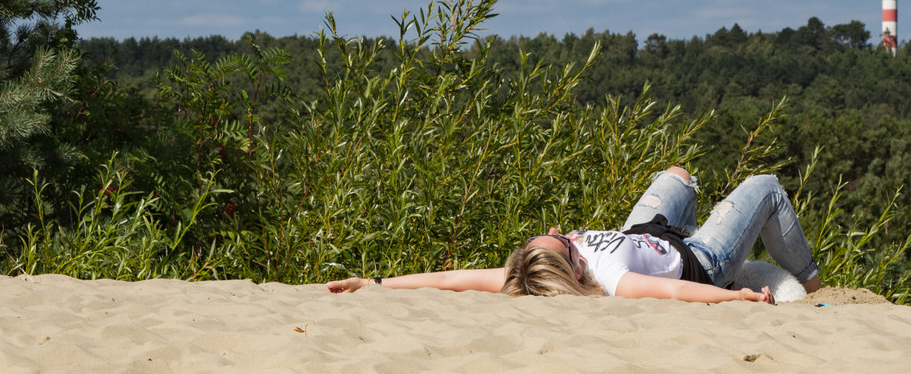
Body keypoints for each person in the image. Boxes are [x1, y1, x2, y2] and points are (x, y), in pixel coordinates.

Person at [327, 167, 822, 304]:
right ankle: (816, 282)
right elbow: (676, 290)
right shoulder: (612, 276)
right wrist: (733, 298)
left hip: (642, 233)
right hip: (700, 258)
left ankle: (699, 217)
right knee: (766, 188)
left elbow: (453, 278)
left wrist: (377, 284)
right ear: (576, 264)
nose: (556, 230)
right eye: (561, 240)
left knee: (678, 176)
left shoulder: (530, 268)